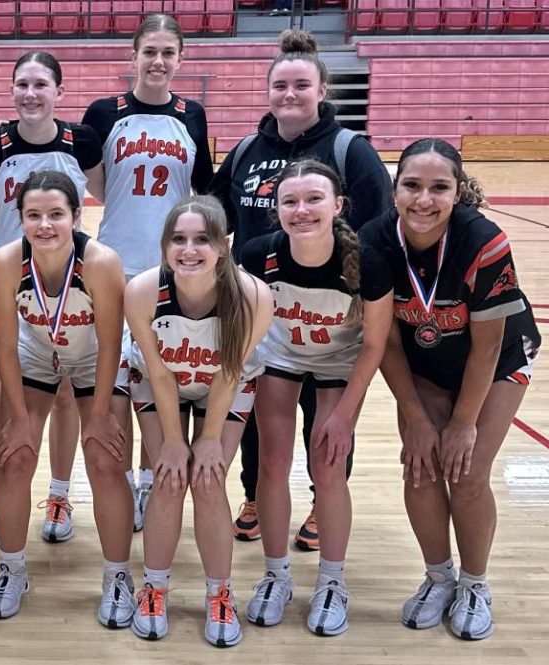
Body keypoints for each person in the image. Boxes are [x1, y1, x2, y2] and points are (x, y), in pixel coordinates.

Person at [209, 29, 392, 549]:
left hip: (334, 309)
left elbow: (377, 230)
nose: (290, 95)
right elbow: (216, 212)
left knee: (327, 414)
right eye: (280, 86)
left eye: (301, 85)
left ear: (322, 91)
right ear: (267, 92)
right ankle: (255, 494)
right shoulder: (247, 148)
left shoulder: (349, 149)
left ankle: (321, 497)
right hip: (265, 297)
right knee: (258, 413)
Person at [361, 138, 540, 641]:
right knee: (420, 469)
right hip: (425, 361)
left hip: (499, 358)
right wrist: (416, 419)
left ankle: (476, 583)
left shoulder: (483, 241)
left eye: (439, 187)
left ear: (458, 193)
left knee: (467, 473)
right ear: (395, 191)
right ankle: (439, 577)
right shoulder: (373, 241)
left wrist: (463, 423)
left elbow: (486, 348)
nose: (424, 199)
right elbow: (388, 344)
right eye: (412, 186)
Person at [238, 160, 392, 636]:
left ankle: (331, 581)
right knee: (271, 463)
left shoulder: (367, 260)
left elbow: (374, 344)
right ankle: (276, 574)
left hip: (340, 363)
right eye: (289, 201)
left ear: (337, 206)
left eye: (313, 199)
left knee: (327, 468)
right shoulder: (256, 254)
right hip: (280, 355)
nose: (301, 210)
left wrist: (344, 415)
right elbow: (242, 328)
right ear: (276, 209)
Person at [82, 14, 215, 530]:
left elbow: (201, 191)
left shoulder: (193, 115)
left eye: (168, 53)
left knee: (162, 380)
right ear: (132, 56)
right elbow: (93, 180)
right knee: (119, 379)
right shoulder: (103, 112)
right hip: (116, 263)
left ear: (181, 59)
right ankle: (117, 483)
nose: (158, 62)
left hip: (173, 268)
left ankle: (147, 483)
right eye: (149, 52)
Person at [0, 51, 104, 546]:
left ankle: (61, 494)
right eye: (21, 84)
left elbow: (105, 191)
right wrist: (6, 209)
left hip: (70, 281)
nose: (31, 93)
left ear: (59, 92)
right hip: (12, 283)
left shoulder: (81, 141)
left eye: (41, 84)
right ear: (11, 90)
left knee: (66, 391)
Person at [122, 196, 272, 647]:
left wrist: (208, 440)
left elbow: (229, 371)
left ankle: (219, 593)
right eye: (179, 239)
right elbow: (160, 373)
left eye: (202, 240)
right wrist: (172, 439)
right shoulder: (143, 291)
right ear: (165, 245)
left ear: (223, 246)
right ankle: (154, 588)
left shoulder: (252, 295)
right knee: (168, 476)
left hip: (221, 382)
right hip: (160, 378)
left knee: (209, 479)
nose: (190, 250)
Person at [0, 170, 125, 619]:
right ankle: (11, 568)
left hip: (92, 359)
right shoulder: (7, 262)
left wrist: (100, 414)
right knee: (15, 456)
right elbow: (5, 346)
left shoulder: (100, 262)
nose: (45, 225)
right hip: (35, 354)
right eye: (33, 215)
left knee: (105, 459)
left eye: (56, 214)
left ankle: (117, 575)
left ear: (77, 217)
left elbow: (111, 347)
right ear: (20, 218)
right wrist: (20, 417)